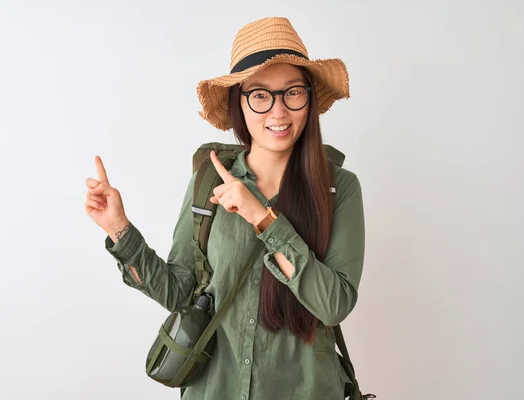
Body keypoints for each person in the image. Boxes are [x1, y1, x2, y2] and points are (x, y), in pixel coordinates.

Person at [85, 16, 366, 400]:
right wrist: (119, 229)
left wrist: (263, 219)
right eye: (261, 95)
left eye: (293, 93)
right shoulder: (208, 182)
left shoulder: (338, 189)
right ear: (240, 103)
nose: (278, 112)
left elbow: (333, 305)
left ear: (309, 99)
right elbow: (182, 294)